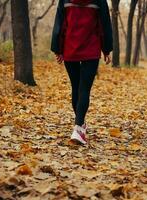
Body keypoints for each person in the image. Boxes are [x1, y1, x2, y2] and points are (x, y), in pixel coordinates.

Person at [51, 0, 113, 145]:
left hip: (70, 48)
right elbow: (105, 24)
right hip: (91, 49)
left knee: (76, 87)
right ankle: (79, 127)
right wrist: (107, 48)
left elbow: (59, 23)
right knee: (84, 89)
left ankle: (79, 127)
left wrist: (58, 48)